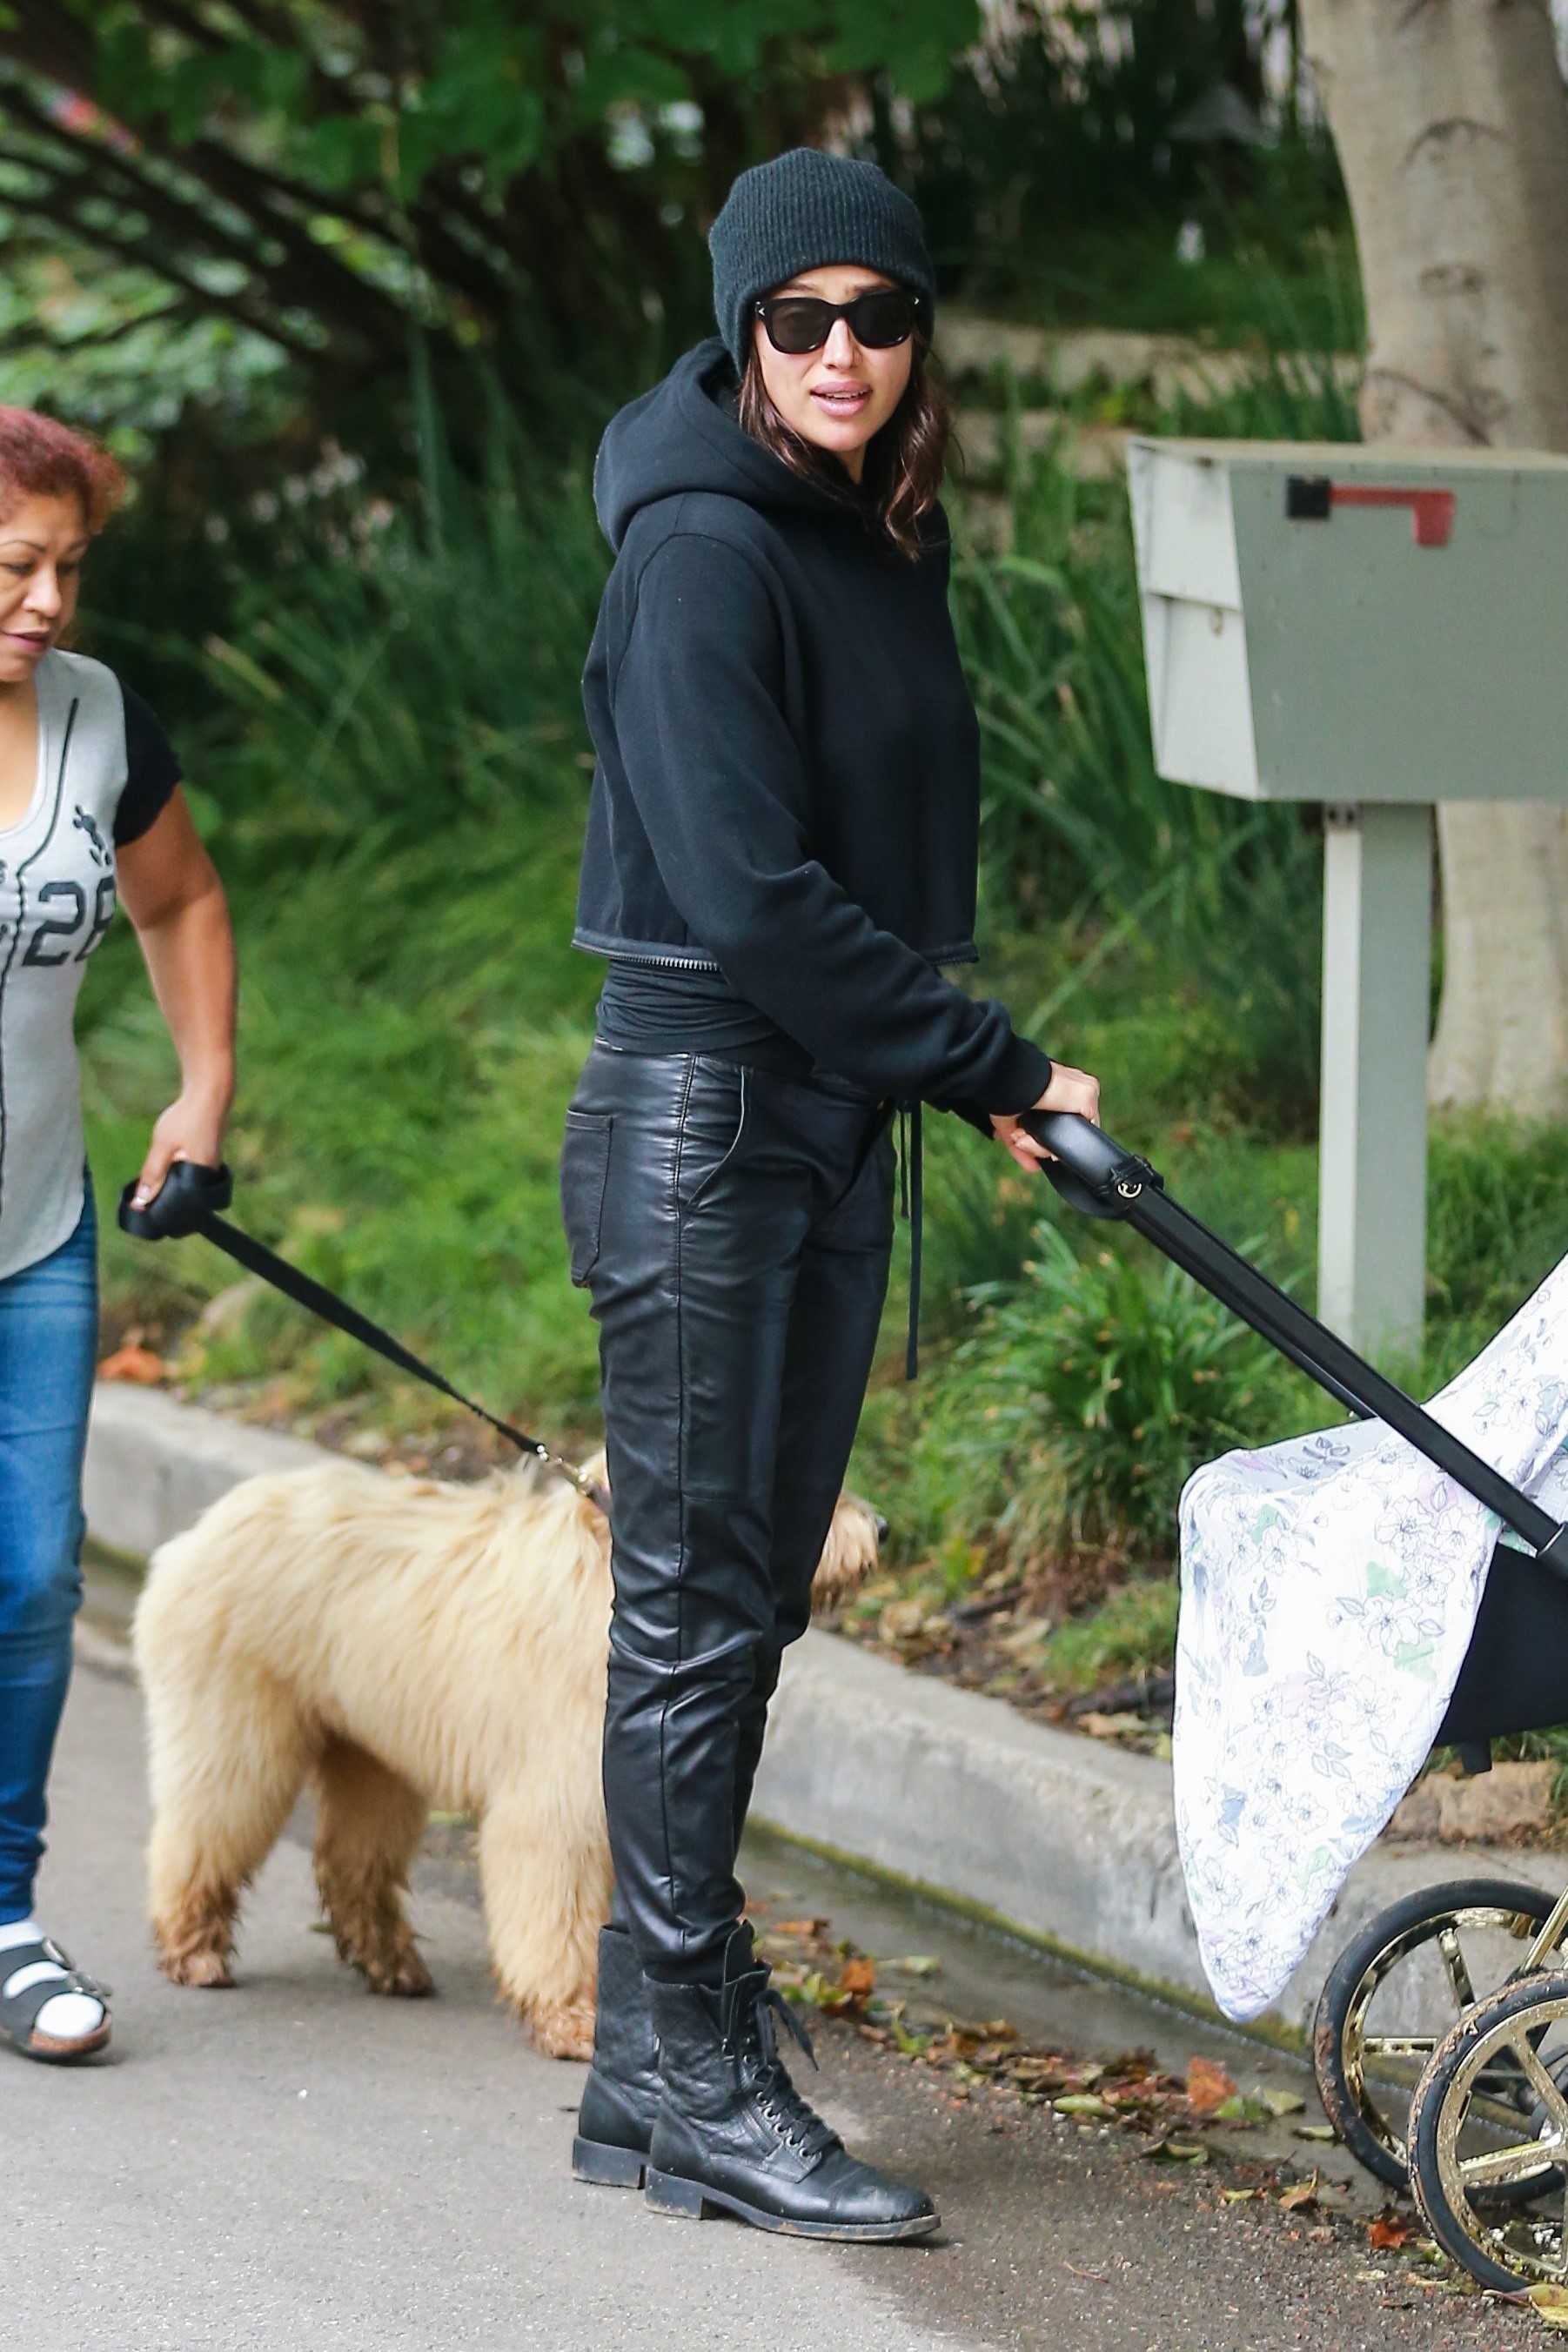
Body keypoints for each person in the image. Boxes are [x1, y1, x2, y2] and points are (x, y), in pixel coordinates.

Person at [560, 147, 1100, 2240]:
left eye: (882, 317)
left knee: (745, 1595)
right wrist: (986, 1057)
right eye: (801, 320)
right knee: (697, 1609)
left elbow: (846, 880)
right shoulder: (703, 551)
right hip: (705, 1112)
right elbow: (750, 898)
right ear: (739, 331)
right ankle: (684, 2066)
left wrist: (938, 1069)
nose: (847, 353)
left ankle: (651, 2038)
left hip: (814, 1110)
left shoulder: (868, 522)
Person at [0, 408, 236, 2061]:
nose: (48, 602)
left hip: (35, 1227)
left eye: (69, 568)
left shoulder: (95, 724)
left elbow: (181, 903)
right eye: (17, 564)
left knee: (27, 1578)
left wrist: (201, 1089)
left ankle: (4, 1916)